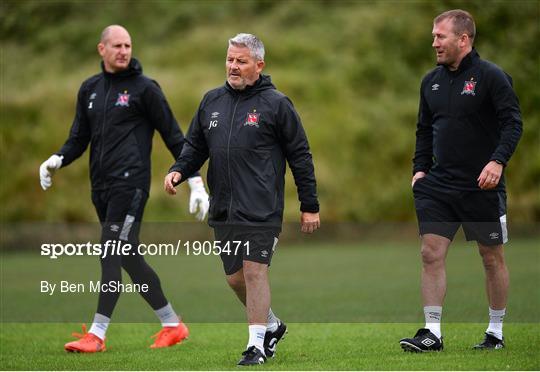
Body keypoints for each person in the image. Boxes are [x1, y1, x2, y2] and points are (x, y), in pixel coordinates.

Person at [39, 25, 209, 353]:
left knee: (110, 250)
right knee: (128, 256)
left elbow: (175, 137)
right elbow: (78, 138)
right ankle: (172, 324)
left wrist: (196, 183)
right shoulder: (89, 89)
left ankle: (97, 334)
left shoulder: (146, 89)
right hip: (99, 188)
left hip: (130, 186)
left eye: (128, 44)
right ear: (101, 49)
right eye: (117, 45)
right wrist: (57, 159)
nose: (124, 50)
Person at [164, 33, 320, 365]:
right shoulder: (211, 101)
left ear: (259, 65)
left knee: (253, 271)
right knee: (235, 278)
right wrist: (178, 170)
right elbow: (195, 147)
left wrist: (309, 205)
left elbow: (301, 157)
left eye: (241, 61)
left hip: (262, 206)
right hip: (224, 207)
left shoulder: (277, 104)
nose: (233, 66)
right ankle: (273, 326)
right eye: (230, 59)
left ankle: (256, 346)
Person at [400, 10, 523, 352]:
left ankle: (495, 333)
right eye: (434, 36)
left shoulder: (492, 77)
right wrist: (419, 169)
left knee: (490, 256)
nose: (434, 42)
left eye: (441, 36)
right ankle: (431, 333)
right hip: (438, 185)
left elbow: (513, 123)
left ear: (463, 39)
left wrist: (498, 161)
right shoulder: (431, 82)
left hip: (482, 185)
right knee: (430, 253)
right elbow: (424, 130)